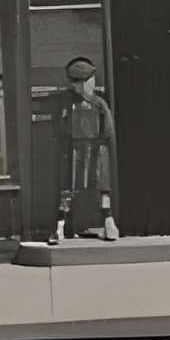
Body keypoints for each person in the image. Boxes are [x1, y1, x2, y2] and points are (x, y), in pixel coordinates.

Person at [55, 57, 119, 241]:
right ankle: (60, 225)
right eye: (77, 82)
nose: (81, 86)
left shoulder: (99, 103)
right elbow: (60, 128)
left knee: (102, 187)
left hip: (96, 149)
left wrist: (101, 142)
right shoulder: (68, 104)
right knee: (69, 187)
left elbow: (108, 129)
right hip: (74, 149)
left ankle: (108, 222)